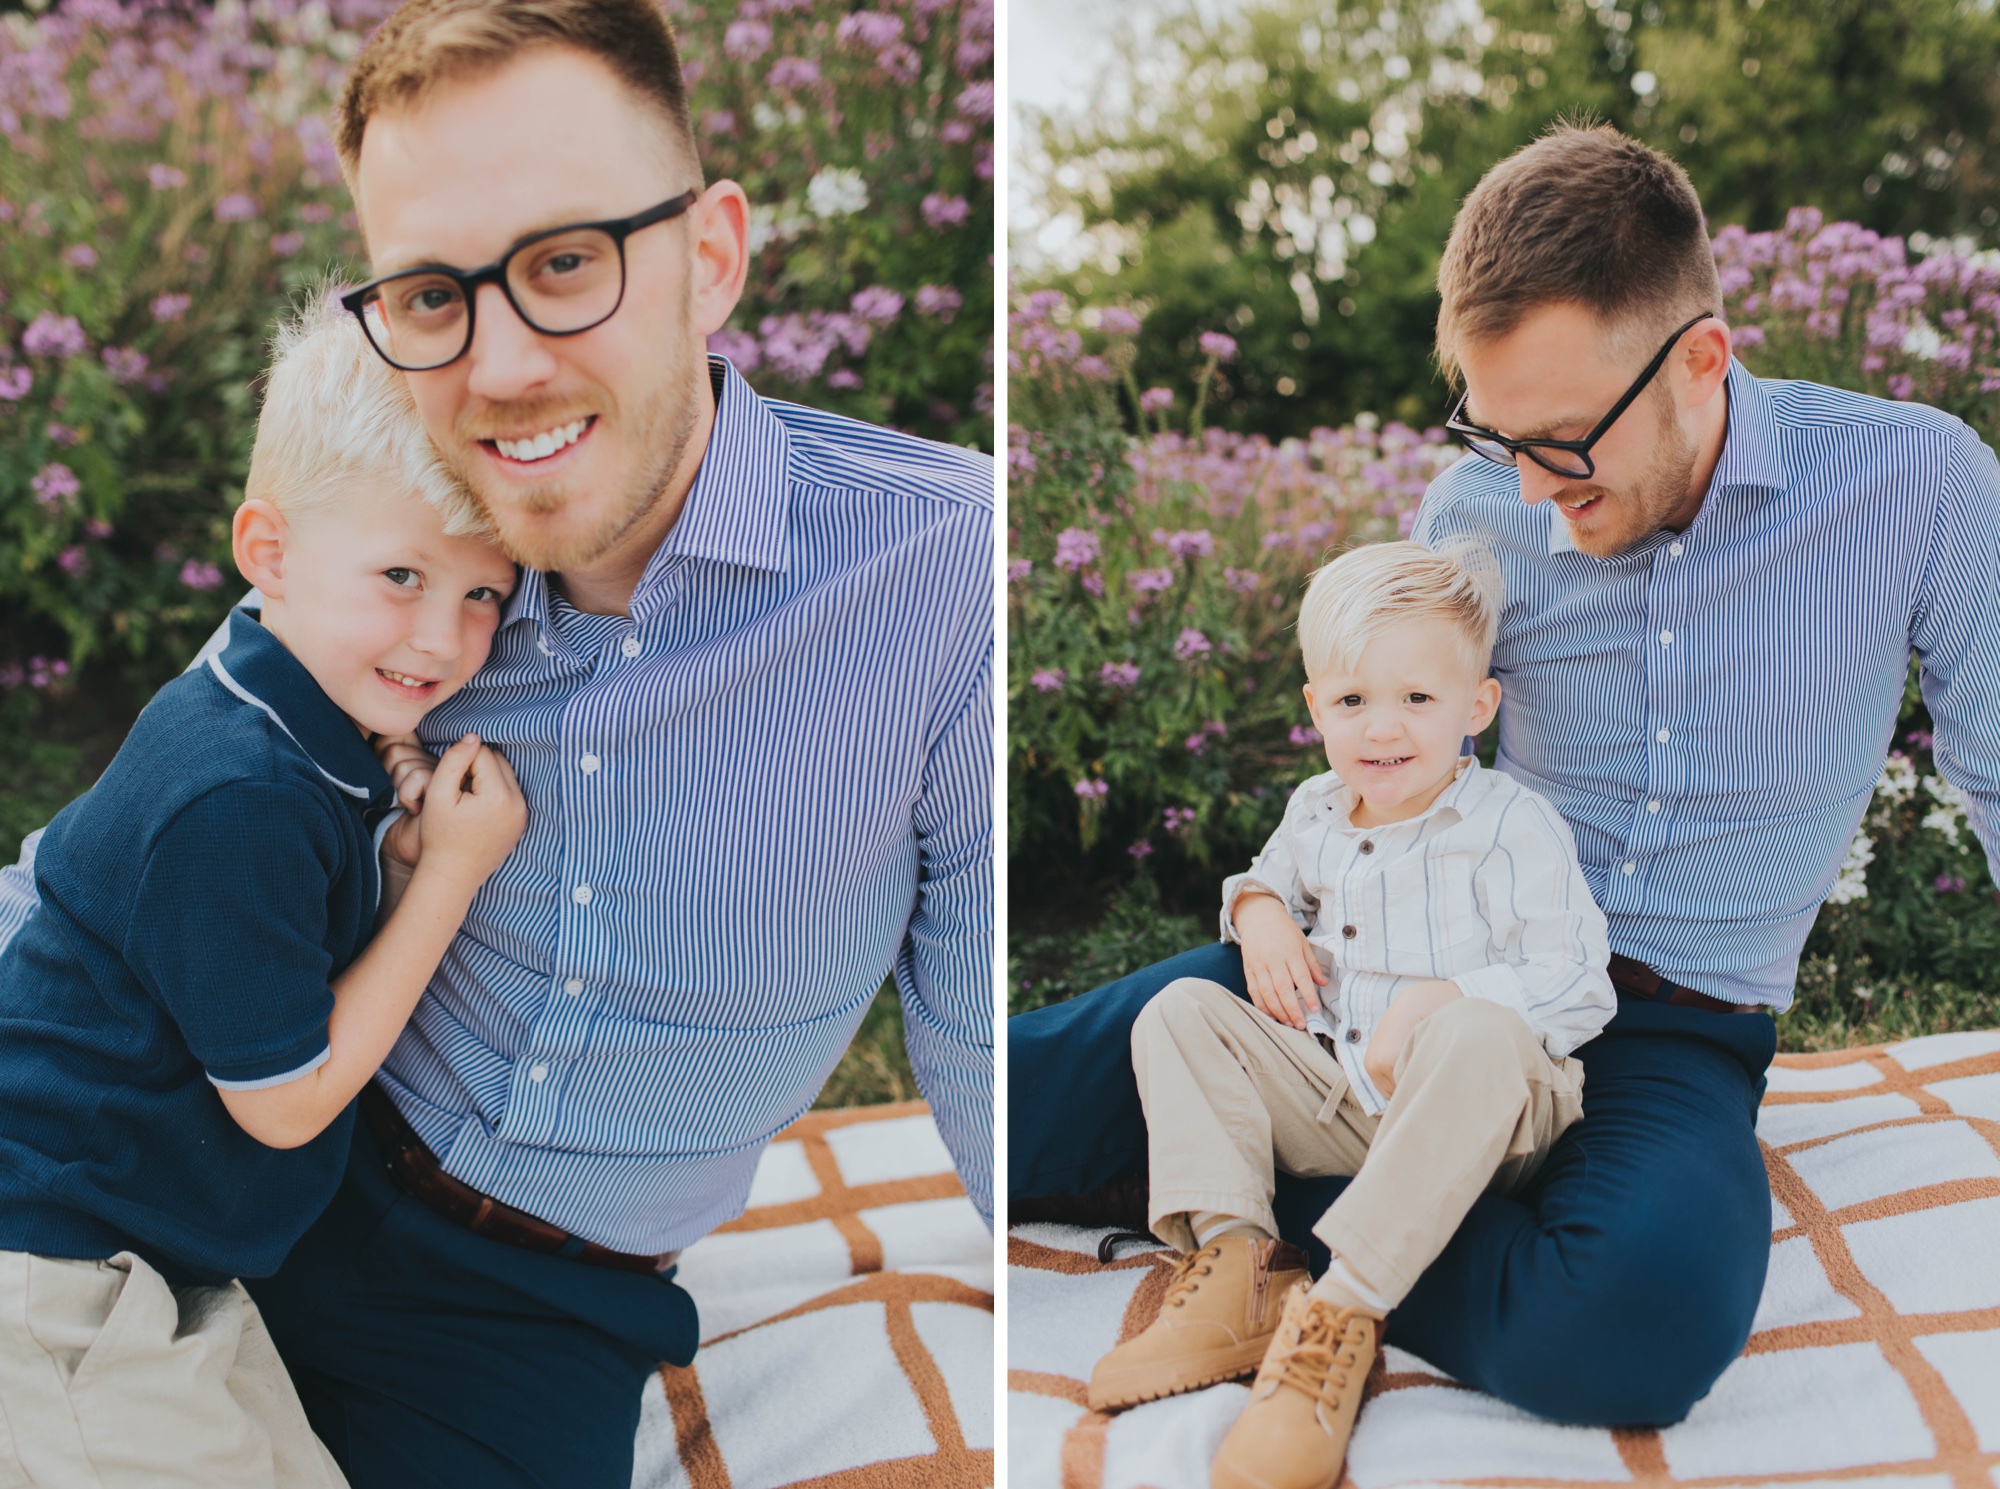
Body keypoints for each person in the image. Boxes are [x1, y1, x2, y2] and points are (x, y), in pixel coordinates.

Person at [0, 1, 994, 1485]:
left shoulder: (946, 580)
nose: (500, 366)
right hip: (189, 1175)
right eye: (428, 293)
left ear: (711, 255)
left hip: (525, 1302)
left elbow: (979, 1042)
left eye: (565, 264)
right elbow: (152, 832)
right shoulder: (399, 560)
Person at [1011, 121, 2000, 1427]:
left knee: (1631, 1331)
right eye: (1496, 433)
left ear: (1702, 359)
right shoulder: (1478, 508)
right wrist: (1269, 910)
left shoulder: (1921, 484)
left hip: (1667, 1040)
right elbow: (1390, 764)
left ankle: (1274, 1208)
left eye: (1566, 442)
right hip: (1388, 974)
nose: (1530, 491)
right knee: (992, 1110)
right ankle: (1260, 1188)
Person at [0, 299, 525, 1489]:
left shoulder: (294, 718)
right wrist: (446, 873)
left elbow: (285, 964)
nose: (442, 638)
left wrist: (389, 871)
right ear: (269, 550)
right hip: (56, 1268)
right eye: (401, 574)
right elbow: (285, 1104)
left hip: (163, 1254)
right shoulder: (233, 790)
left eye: (484, 593)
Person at [1086, 541, 1613, 1489]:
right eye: (1353, 700)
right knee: (1180, 1010)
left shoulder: (1509, 824)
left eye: (1418, 699)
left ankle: (1337, 1315)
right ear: (1314, 708)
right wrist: (1259, 917)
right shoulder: (1319, 809)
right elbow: (1263, 878)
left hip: (1484, 1113)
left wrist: (1448, 999)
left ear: (1476, 708)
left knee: (1477, 1032)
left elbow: (1578, 980)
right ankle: (1238, 1261)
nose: (1384, 728)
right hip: (1342, 1099)